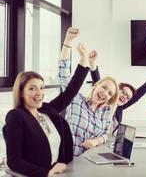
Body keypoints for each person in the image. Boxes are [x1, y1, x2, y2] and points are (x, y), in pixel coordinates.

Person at [3, 42, 90, 177]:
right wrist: (47, 172)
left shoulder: (46, 110)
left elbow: (70, 92)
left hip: (60, 172)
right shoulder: (16, 116)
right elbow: (14, 161)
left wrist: (84, 59)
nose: (39, 93)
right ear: (21, 92)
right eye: (32, 88)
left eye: (41, 87)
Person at [59, 28, 119, 156]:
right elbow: (63, 73)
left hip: (91, 161)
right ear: (95, 85)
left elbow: (105, 135)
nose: (105, 93)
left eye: (109, 93)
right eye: (104, 87)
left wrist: (96, 141)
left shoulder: (106, 111)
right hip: (69, 161)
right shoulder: (76, 100)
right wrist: (68, 40)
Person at [88, 50, 146, 133]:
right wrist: (92, 63)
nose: (125, 97)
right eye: (124, 92)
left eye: (128, 97)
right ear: (116, 90)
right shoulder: (103, 101)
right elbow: (97, 81)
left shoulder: (119, 107)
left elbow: (138, 95)